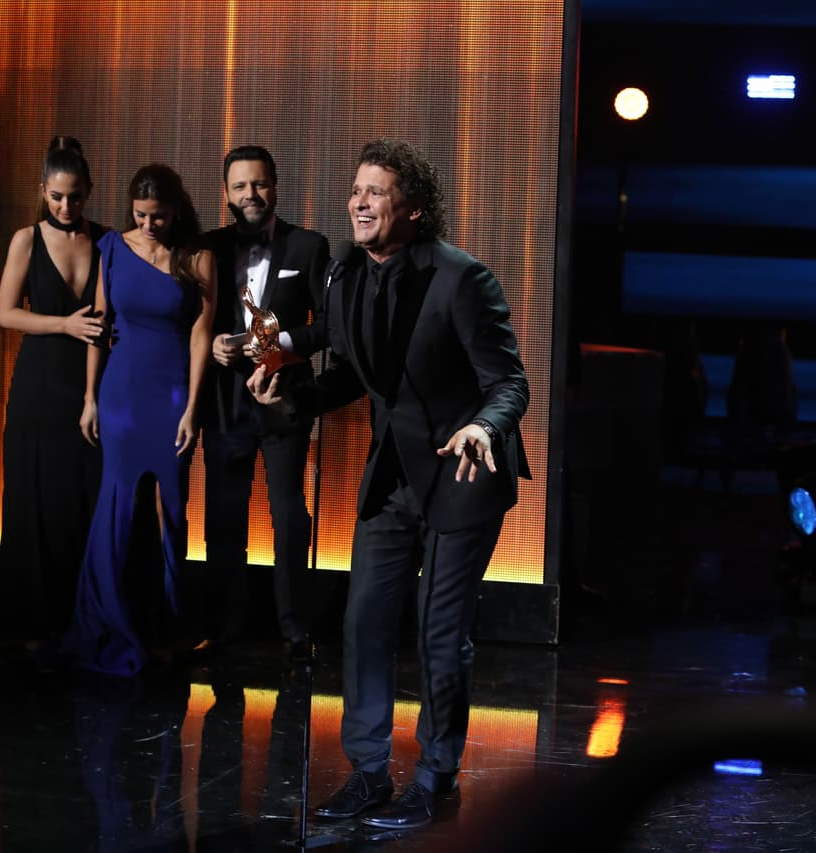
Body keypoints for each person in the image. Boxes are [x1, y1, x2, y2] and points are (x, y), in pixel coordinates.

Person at [248, 138, 530, 831]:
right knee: (365, 616)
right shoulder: (346, 274)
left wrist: (485, 427)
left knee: (440, 632)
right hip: (394, 475)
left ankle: (435, 775)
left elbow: (508, 381)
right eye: (356, 190)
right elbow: (348, 372)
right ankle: (369, 771)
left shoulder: (461, 278)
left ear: (413, 208)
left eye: (376, 191)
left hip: (463, 472)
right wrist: (288, 393)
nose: (359, 201)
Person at [61, 163, 216, 676]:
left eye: (160, 216)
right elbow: (99, 328)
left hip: (173, 391)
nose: (150, 225)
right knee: (117, 507)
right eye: (142, 215)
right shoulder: (111, 249)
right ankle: (112, 621)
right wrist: (89, 397)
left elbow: (201, 335)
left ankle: (169, 629)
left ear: (177, 211)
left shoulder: (197, 257)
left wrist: (193, 407)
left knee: (171, 510)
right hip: (121, 392)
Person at [199, 145, 331, 660]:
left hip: (283, 403)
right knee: (224, 519)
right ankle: (225, 628)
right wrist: (210, 343)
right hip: (225, 403)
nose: (250, 195)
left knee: (289, 518)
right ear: (226, 193)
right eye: (239, 186)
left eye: (259, 184)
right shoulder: (208, 246)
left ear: (275, 186)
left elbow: (327, 328)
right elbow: (191, 317)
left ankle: (294, 631)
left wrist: (278, 346)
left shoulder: (309, 246)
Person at [0, 135, 106, 654]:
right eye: (58, 196)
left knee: (81, 503)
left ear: (89, 191)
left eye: (76, 196)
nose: (66, 206)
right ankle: (32, 627)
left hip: (87, 387)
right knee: (33, 501)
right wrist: (64, 323)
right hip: (38, 384)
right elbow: (6, 313)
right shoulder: (26, 239)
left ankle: (77, 623)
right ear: (43, 191)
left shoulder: (105, 242)